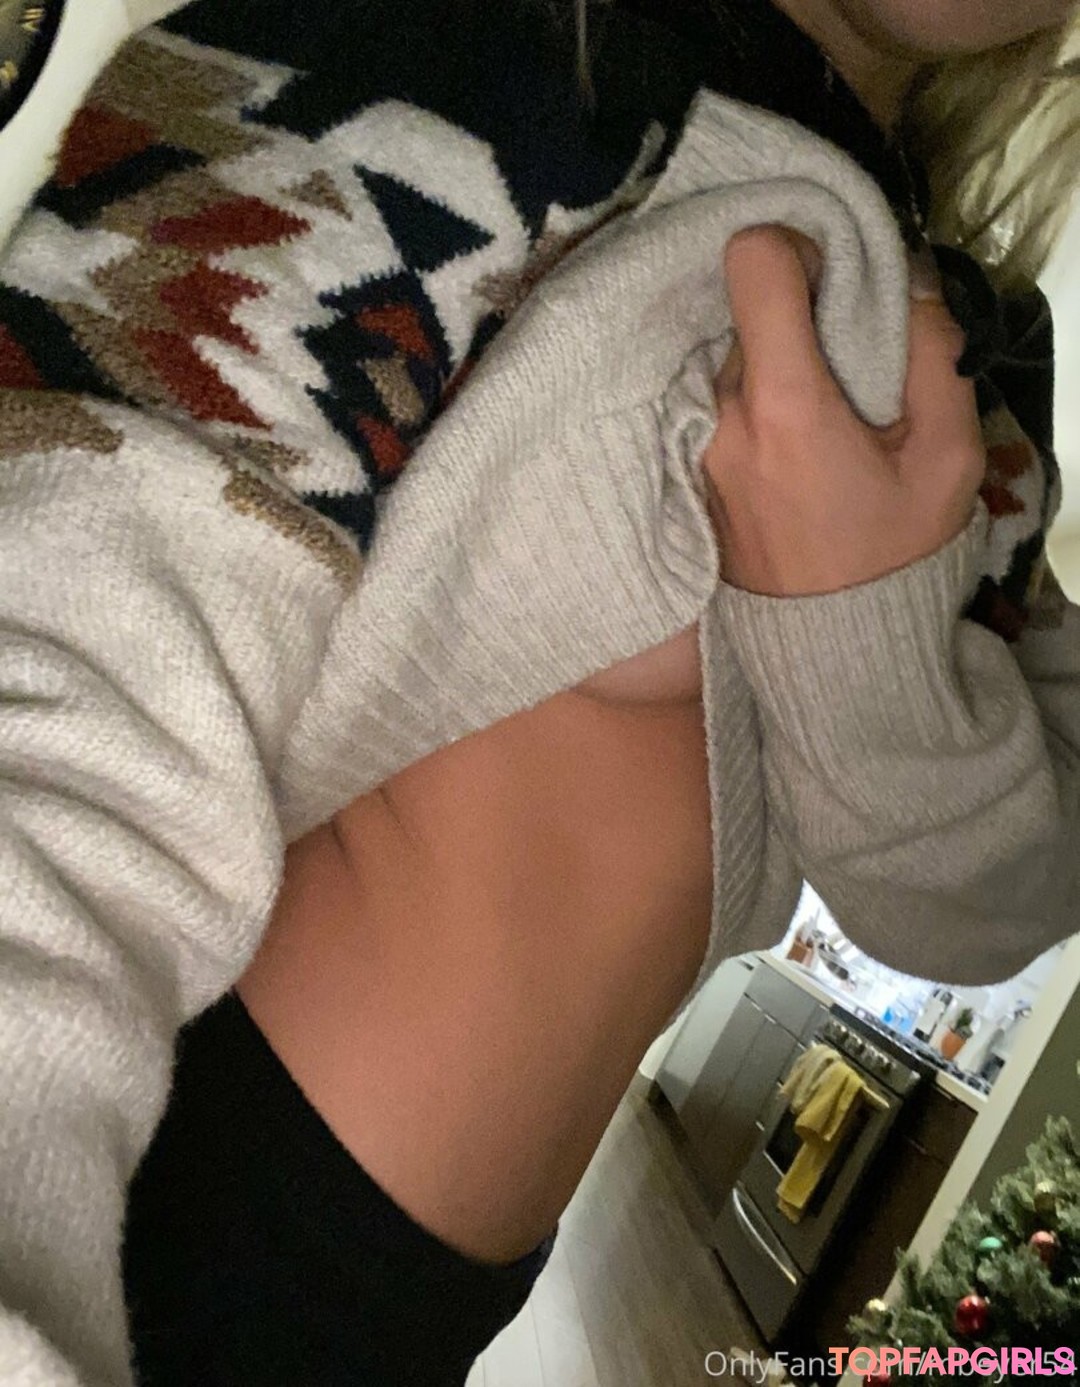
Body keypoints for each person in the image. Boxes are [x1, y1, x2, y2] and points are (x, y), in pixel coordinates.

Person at [0, 0, 1076, 1383]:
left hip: (434, 1301)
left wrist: (864, 639)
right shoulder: (445, 49)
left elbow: (977, 900)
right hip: (155, 1208)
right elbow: (62, 638)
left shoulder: (985, 357)